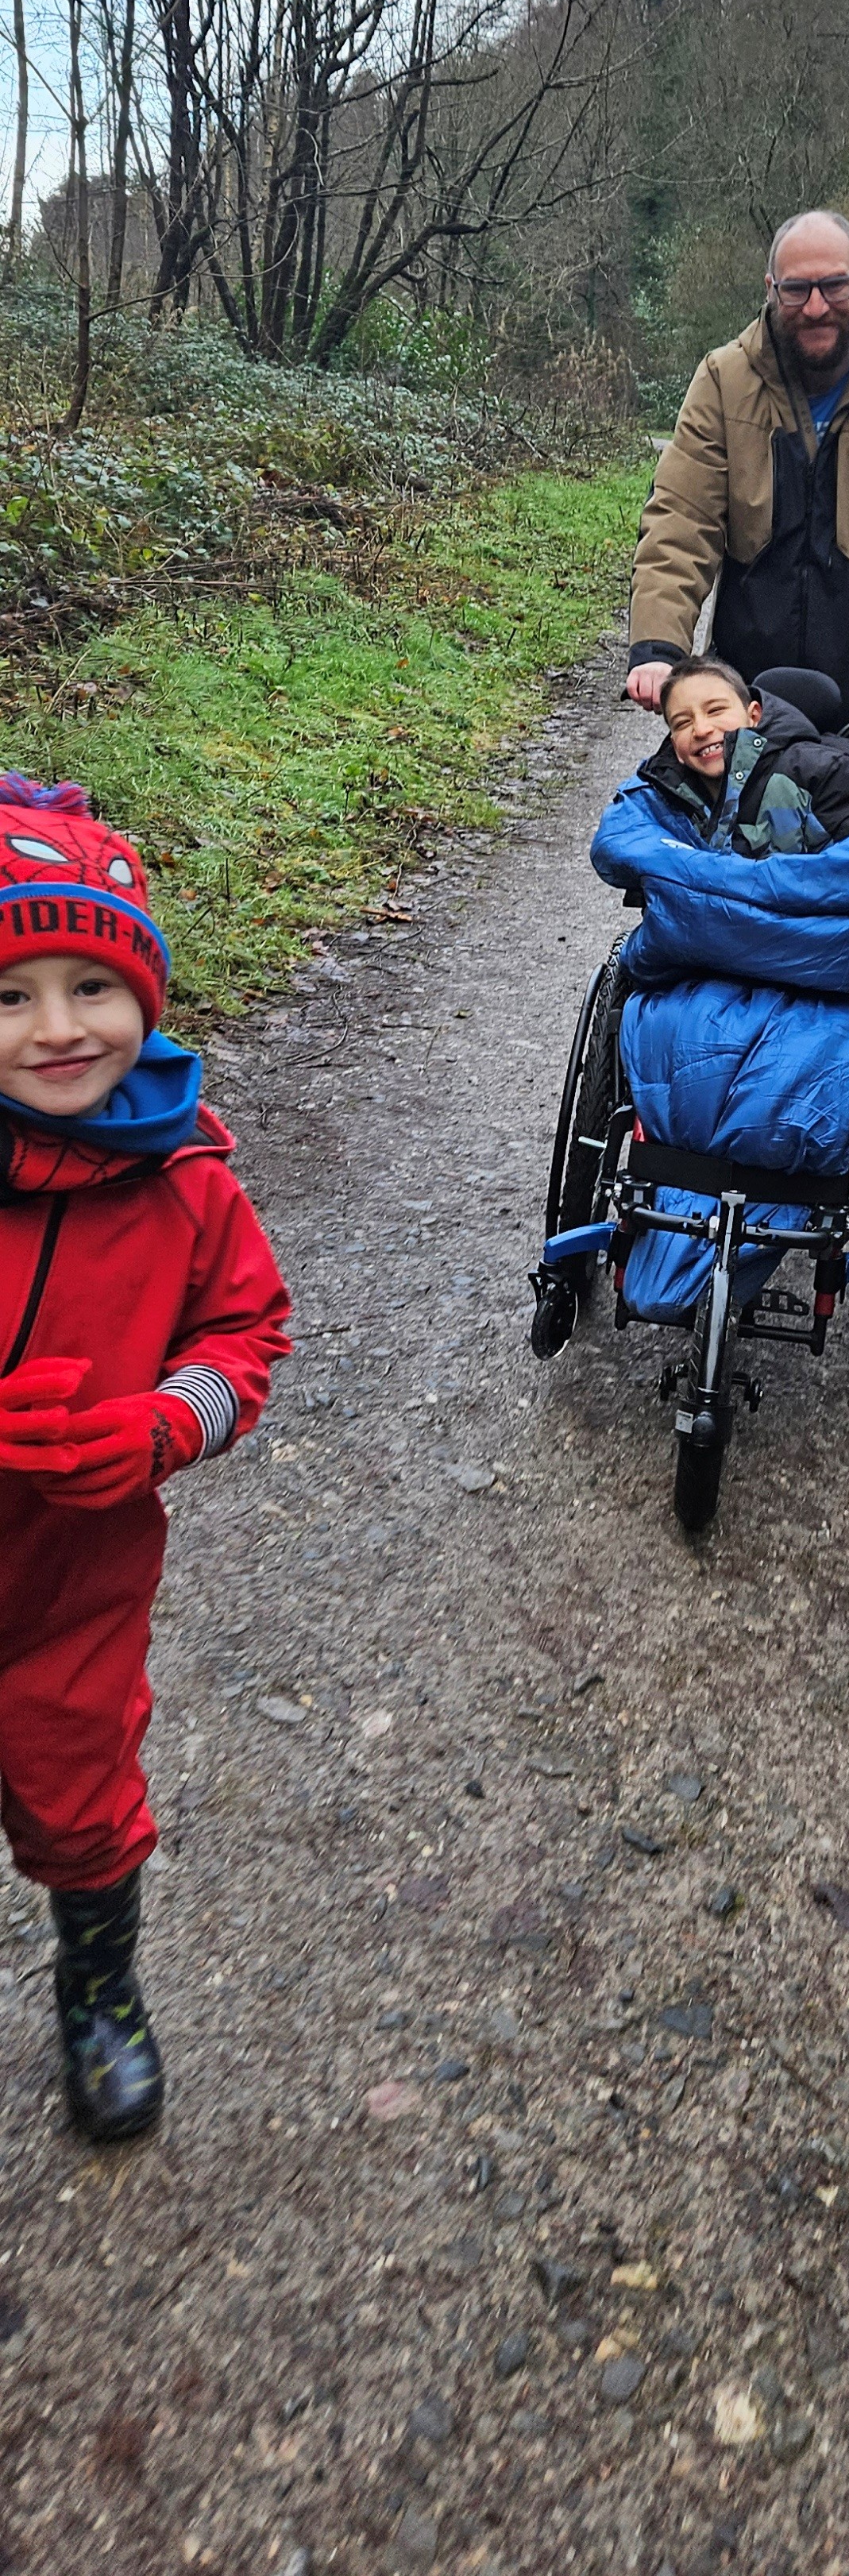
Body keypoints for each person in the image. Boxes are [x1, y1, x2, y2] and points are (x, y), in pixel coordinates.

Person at [0, 774, 290, 2142]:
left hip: (77, 1573)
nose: (58, 1028)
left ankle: (100, 1982)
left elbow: (245, 1338)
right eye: (9, 996)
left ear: (145, 994)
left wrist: (161, 1424)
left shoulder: (186, 1181)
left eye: (90, 987)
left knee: (79, 1784)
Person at [626, 208, 849, 743]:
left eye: (834, 286)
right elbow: (682, 518)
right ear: (771, 290)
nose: (816, 307)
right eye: (797, 290)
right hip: (743, 705)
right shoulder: (724, 381)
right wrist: (659, 649)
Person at [643, 655, 849, 855]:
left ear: (754, 716)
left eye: (716, 710)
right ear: (674, 745)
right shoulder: (661, 796)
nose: (701, 729)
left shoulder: (817, 773)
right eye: (682, 723)